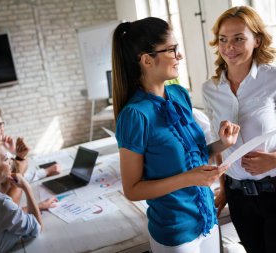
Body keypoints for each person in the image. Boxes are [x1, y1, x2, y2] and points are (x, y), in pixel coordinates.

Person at [112, 17, 240, 253]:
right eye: (172, 49)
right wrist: (189, 178)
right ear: (147, 60)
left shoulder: (179, 94)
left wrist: (222, 144)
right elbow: (132, 189)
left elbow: (194, 156)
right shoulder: (135, 115)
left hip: (208, 219)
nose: (179, 55)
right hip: (176, 233)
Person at [202, 6, 276, 253]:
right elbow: (217, 146)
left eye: (239, 38)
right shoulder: (210, 89)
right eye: (223, 39)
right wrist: (223, 188)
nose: (229, 46)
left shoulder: (275, 78)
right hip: (240, 199)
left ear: (257, 40)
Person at [0, 106, 61, 181]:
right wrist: (46, 171)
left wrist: (14, 153)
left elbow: (16, 172)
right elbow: (14, 181)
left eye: (0, 124)